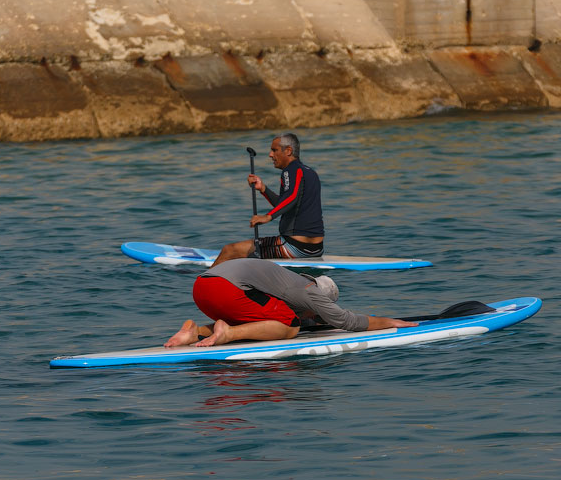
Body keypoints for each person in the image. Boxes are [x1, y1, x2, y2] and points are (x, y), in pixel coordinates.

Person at [164, 258, 417, 348]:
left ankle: (194, 333)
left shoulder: (282, 279)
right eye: (319, 312)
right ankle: (227, 333)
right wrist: (389, 322)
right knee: (290, 326)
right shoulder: (309, 291)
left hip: (202, 285)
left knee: (258, 319)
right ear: (321, 298)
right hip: (224, 288)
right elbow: (346, 321)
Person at [210, 133, 324, 267]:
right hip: (316, 249)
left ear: (288, 151)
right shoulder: (310, 172)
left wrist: (268, 217)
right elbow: (286, 204)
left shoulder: (290, 171)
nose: (270, 155)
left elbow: (291, 198)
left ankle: (204, 282)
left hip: (294, 247)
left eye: (274, 150)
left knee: (229, 250)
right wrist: (263, 189)